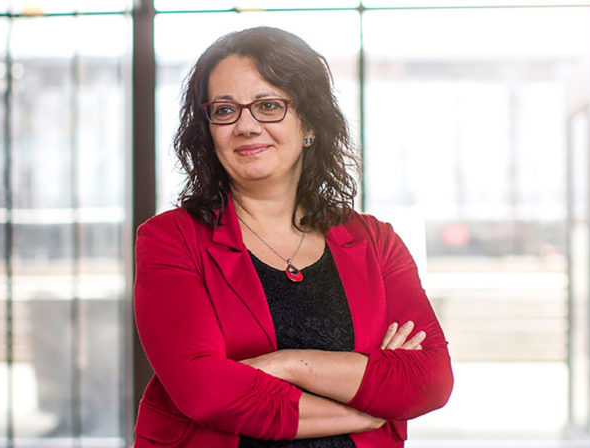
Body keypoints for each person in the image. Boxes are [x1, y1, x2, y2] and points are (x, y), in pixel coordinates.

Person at [133, 26, 453, 447]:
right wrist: (363, 401)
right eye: (225, 111)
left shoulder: (376, 242)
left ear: (310, 124)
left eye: (268, 105)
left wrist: (290, 364)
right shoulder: (171, 239)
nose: (246, 126)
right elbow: (205, 391)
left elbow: (429, 380)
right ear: (209, 131)